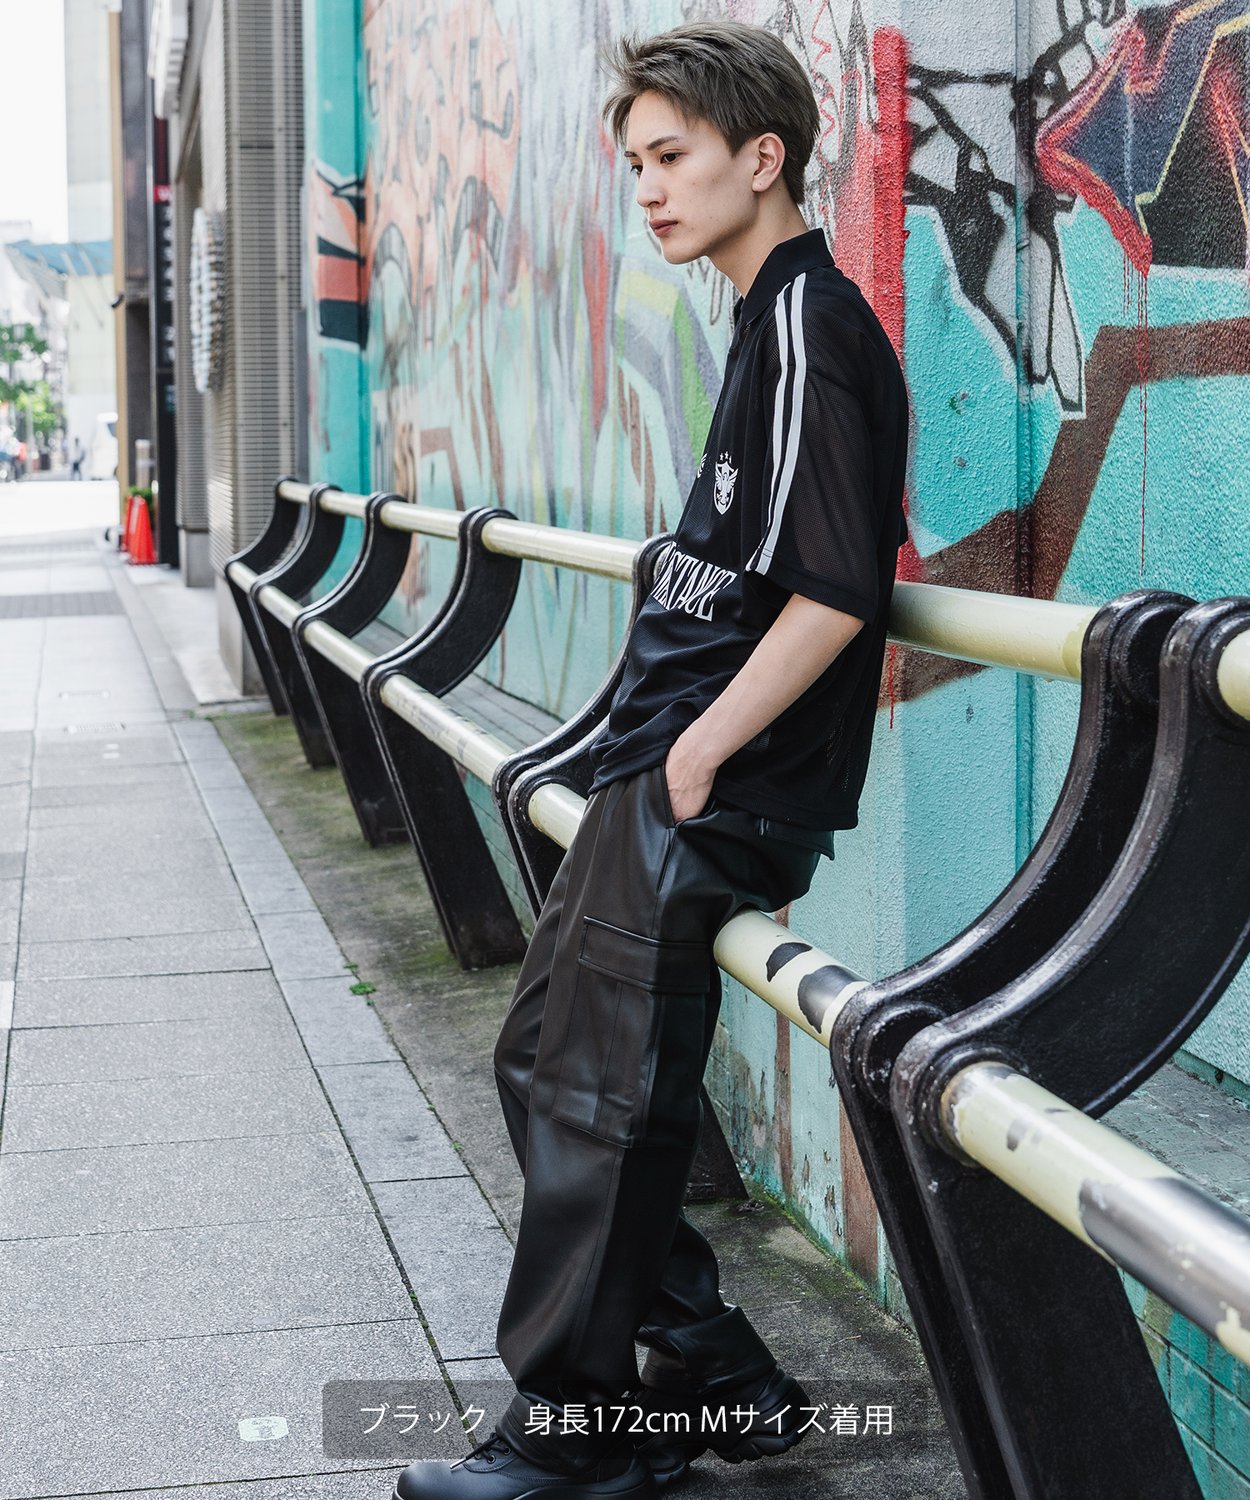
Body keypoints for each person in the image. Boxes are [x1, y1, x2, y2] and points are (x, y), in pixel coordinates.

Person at [393, 19, 909, 1500]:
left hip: (707, 787)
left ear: (763, 157)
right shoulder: (761, 323)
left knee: (598, 1096)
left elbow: (834, 591)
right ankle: (707, 1372)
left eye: (670, 157)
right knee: (544, 1066)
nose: (647, 191)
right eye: (633, 165)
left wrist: (695, 757)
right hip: (661, 771)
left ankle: (575, 1439)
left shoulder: (809, 325)